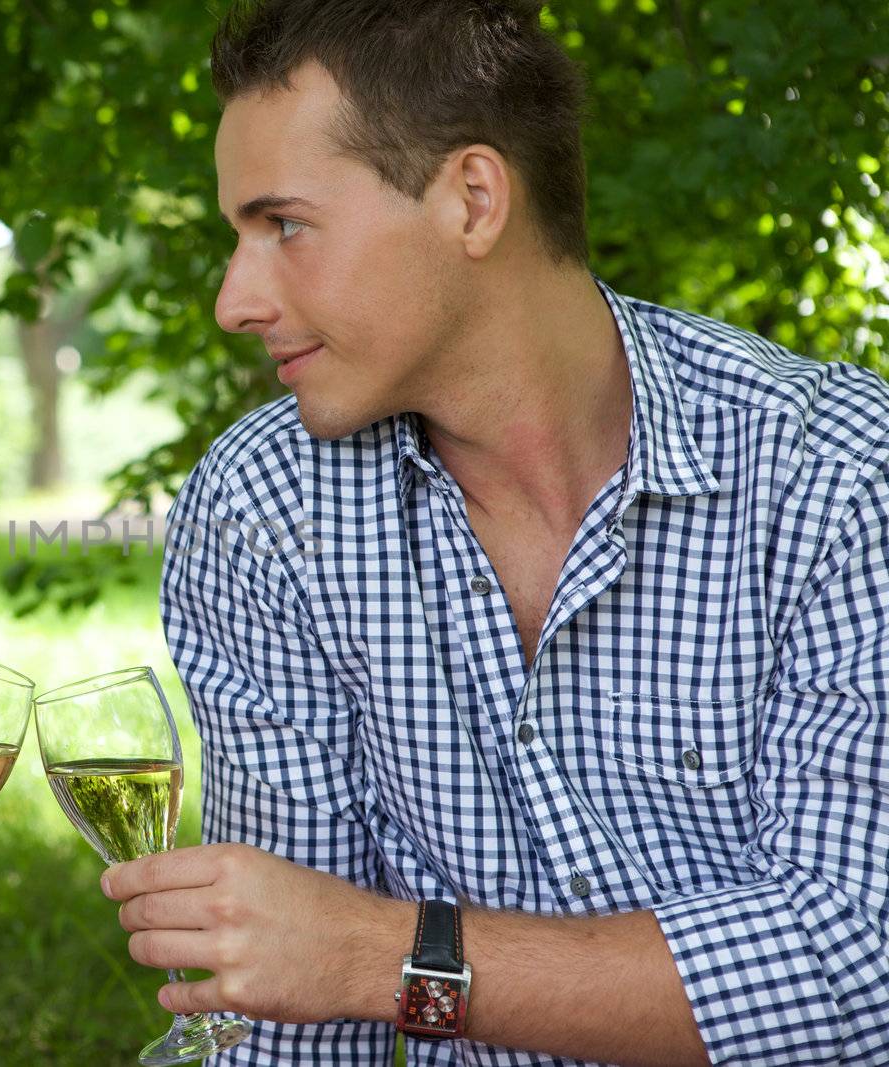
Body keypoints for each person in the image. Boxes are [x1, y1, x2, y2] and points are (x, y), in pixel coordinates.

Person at [101, 1, 889, 1064]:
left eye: (284, 225)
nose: (233, 299)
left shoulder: (835, 479)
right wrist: (321, 962)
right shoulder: (263, 506)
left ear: (472, 199)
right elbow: (281, 1020)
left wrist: (386, 956)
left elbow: (856, 965)